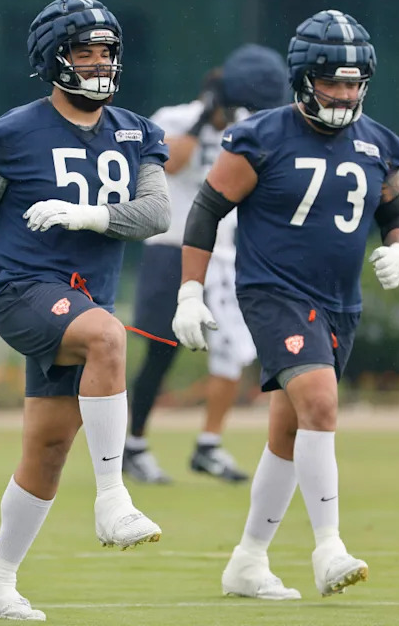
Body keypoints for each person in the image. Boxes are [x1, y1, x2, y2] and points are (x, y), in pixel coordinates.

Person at [0, 0, 169, 621]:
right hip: (23, 291)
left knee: (47, 449)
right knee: (108, 337)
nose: (100, 64)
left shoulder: (134, 130)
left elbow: (157, 214)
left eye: (107, 52)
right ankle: (112, 499)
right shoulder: (14, 132)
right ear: (54, 59)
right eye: (86, 51)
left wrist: (89, 215)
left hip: (81, 298)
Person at [172, 10, 399, 599]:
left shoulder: (379, 142)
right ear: (305, 78)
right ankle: (328, 546)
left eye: (354, 82)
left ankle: (248, 560)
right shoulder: (261, 136)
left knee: (290, 428)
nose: (345, 93)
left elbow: (398, 215)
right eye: (333, 80)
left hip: (340, 303)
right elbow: (206, 210)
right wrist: (189, 291)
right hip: (274, 291)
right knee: (321, 403)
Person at [124, 44, 289, 485]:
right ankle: (132, 444)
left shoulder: (249, 129)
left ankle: (208, 445)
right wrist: (203, 121)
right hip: (172, 245)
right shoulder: (175, 117)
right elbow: (169, 164)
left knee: (232, 351)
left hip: (227, 253)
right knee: (161, 350)